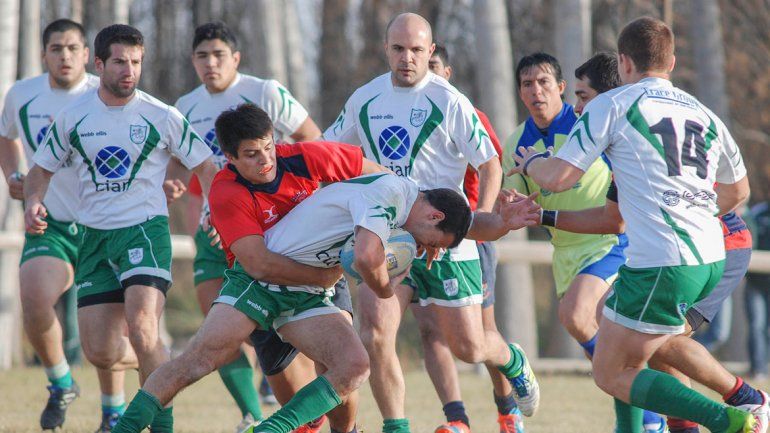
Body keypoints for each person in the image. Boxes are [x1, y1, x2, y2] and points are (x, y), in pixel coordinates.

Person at [110, 103, 539, 433]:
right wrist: (378, 288)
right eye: (252, 155)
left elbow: (447, 221)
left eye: (267, 148)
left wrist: (501, 223)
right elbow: (266, 262)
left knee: (353, 366)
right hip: (259, 283)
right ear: (230, 157)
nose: (265, 161)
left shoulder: (329, 163)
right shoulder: (226, 190)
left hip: (311, 290)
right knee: (199, 361)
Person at [513, 16, 767, 433]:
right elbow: (738, 191)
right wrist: (690, 206)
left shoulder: (612, 106)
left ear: (624, 62)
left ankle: (732, 420)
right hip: (709, 256)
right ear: (671, 62)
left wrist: (532, 162)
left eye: (580, 95)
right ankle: (736, 401)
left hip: (664, 261)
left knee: (612, 370)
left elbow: (559, 176)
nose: (579, 104)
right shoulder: (704, 113)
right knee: (632, 342)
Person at [324, 13, 540, 433]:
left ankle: (512, 359)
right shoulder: (364, 99)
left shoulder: (449, 101)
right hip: (391, 240)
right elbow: (331, 154)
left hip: (449, 242)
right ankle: (397, 426)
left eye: (417, 50)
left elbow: (490, 165)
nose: (407, 58)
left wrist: (475, 224)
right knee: (376, 334)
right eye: (399, 49)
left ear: (431, 51)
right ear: (385, 49)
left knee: (470, 347)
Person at [23, 24, 218, 433]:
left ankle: (160, 426)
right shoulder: (73, 117)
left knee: (143, 328)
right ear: (99, 64)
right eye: (119, 62)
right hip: (93, 238)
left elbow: (206, 165)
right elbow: (40, 171)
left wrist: (213, 211)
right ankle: (164, 362)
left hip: (143, 232)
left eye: (135, 62)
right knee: (102, 352)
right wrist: (35, 201)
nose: (128, 70)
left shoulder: (162, 115)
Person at [174, 21, 324, 433]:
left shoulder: (265, 92)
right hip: (214, 229)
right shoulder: (185, 106)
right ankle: (251, 413)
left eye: (219, 54)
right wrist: (188, 211)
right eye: (202, 55)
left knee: (297, 334)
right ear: (193, 60)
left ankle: (307, 415)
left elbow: (312, 140)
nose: (211, 63)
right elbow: (186, 171)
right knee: (215, 329)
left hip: (275, 229)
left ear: (236, 58)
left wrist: (304, 207)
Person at [0, 19, 128, 432]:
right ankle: (60, 382)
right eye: (57, 48)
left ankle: (113, 412)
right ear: (44, 55)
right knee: (34, 296)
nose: (65, 56)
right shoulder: (22, 94)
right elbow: (6, 136)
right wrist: (13, 175)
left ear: (87, 56)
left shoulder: (103, 93)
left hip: (102, 225)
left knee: (106, 326)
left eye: (73, 48)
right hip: (50, 223)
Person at [418, 43, 524, 433]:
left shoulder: (466, 113)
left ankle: (506, 407)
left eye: (433, 65)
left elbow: (494, 168)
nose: (424, 73)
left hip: (469, 240)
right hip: (419, 238)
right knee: (430, 330)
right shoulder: (398, 111)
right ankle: (457, 420)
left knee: (480, 337)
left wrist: (488, 212)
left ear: (447, 73)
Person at [746, 201, 770, 381]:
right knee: (756, 325)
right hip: (756, 281)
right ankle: (758, 368)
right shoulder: (758, 212)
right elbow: (748, 238)